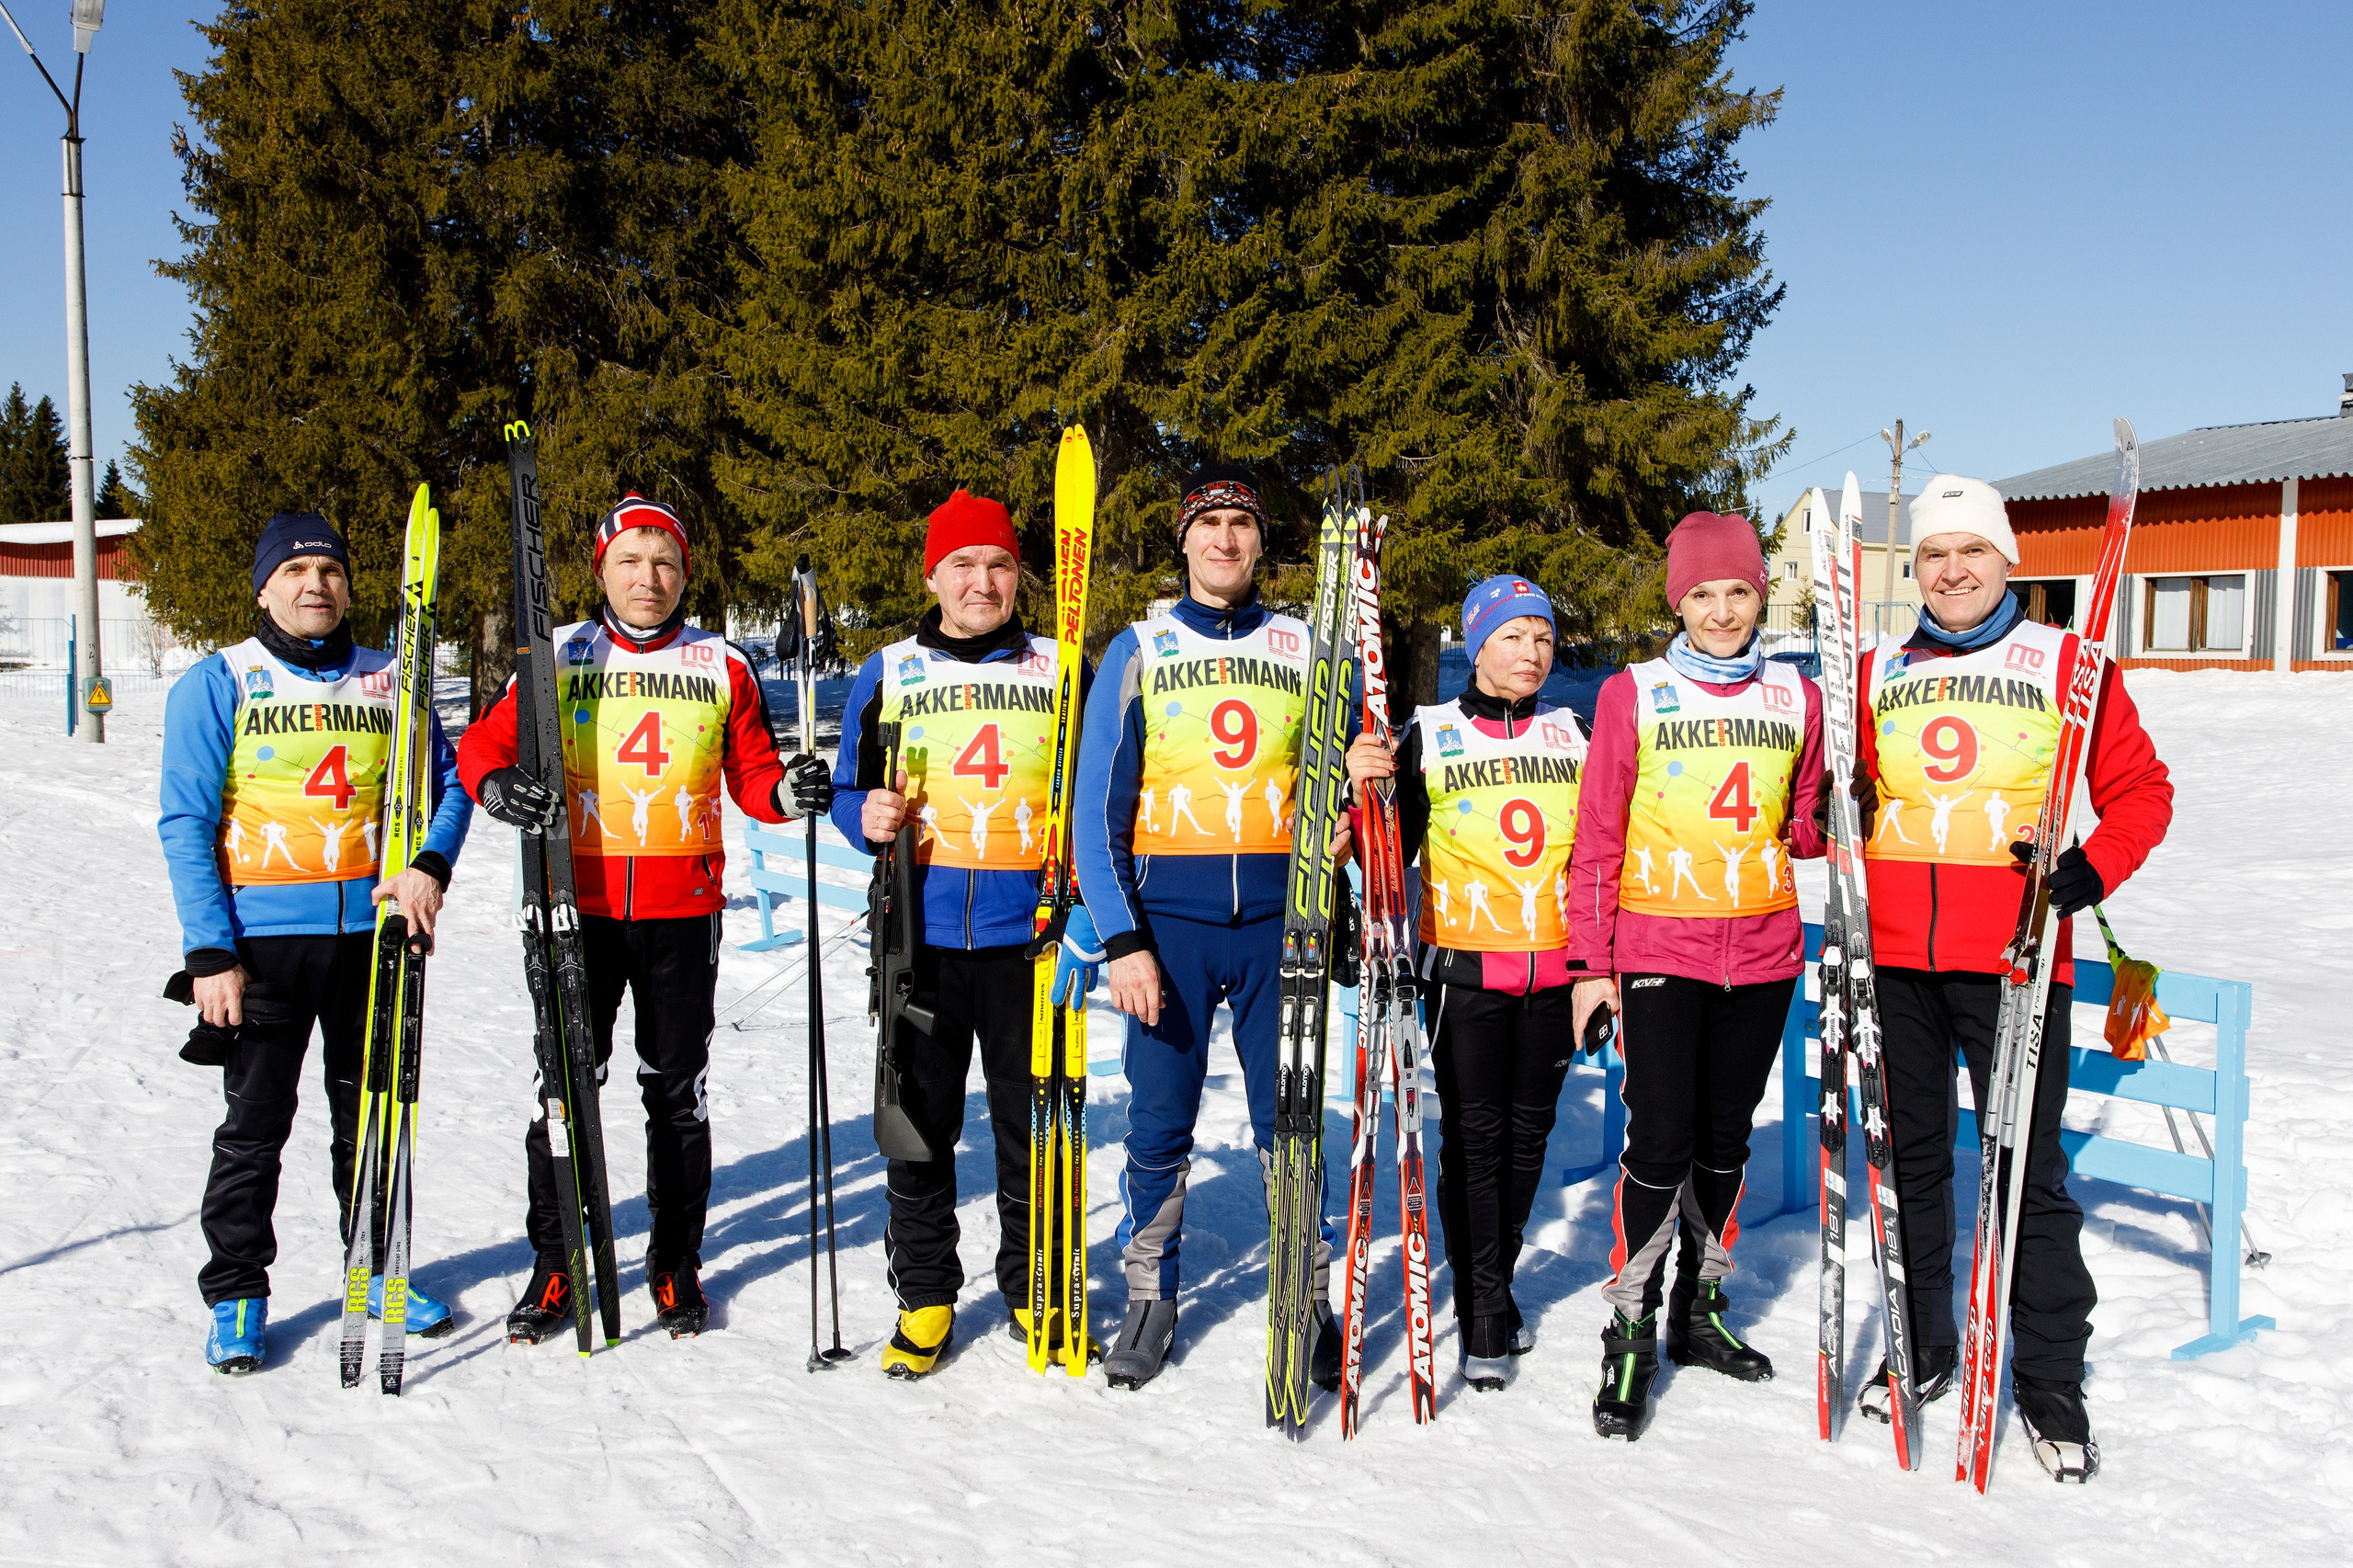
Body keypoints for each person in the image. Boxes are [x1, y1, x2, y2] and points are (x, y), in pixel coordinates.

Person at [1855, 475, 2172, 1483]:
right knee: (1909, 1168)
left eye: (1973, 551)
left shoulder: (2068, 664)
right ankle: (1922, 1344)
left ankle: (2048, 1377)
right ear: (1915, 569)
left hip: (2016, 959)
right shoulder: (1873, 671)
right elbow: (1836, 795)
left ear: (2007, 561)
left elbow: (2141, 789)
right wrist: (1824, 813)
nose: (1952, 570)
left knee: (2025, 1175)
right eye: (1933, 554)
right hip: (1894, 962)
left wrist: (2093, 865)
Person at [459, 493, 833, 1340]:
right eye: (629, 560)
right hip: (573, 910)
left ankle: (674, 1261)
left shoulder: (722, 663)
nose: (647, 577)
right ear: (602, 571)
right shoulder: (557, 656)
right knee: (563, 1092)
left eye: (664, 561)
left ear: (684, 574)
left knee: (677, 1095)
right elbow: (483, 744)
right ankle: (558, 1261)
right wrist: (496, 785)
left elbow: (753, 778)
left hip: (680, 914)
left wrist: (790, 793)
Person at [160, 513, 474, 1374]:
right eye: (295, 571)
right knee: (255, 1127)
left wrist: (429, 867)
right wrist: (209, 954)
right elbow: (185, 823)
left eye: (330, 570)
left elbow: (450, 786)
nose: (315, 585)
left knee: (370, 1123)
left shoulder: (390, 679)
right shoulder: (221, 681)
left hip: (371, 941)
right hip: (261, 946)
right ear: (264, 588)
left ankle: (373, 1270)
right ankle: (236, 1292)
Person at [1073, 464, 1347, 1391]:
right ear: (1184, 539)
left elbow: (1344, 776)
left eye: (1241, 523)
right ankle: (1149, 1297)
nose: (1225, 538)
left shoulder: (1309, 648)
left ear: (1261, 541)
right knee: (1158, 1125)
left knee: (1291, 1124)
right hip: (1170, 933)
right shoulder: (1139, 649)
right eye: (1209, 523)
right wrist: (1124, 940)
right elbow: (1096, 816)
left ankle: (1306, 1294)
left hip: (1283, 926)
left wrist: (1352, 809)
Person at [828, 491, 1098, 1379]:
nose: (982, 582)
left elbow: (1103, 792)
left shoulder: (1062, 669)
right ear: (932, 577)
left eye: (999, 565)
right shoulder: (889, 669)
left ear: (1019, 576)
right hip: (923, 940)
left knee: (1032, 1129)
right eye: (963, 565)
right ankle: (926, 1296)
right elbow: (847, 791)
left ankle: (1034, 1289)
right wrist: (860, 815)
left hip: (1034, 940)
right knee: (919, 1126)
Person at [1567, 510, 1824, 1439]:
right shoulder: (1633, 692)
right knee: (1661, 1139)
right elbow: (1598, 835)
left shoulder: (1800, 697)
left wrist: (1840, 808)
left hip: (1762, 950)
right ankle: (1630, 1326)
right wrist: (1589, 964)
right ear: (1678, 601)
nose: (1721, 611)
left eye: (1739, 592)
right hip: (1658, 950)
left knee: (1725, 1140)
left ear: (1760, 596)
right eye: (1703, 594)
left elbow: (1804, 826)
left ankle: (1698, 1305)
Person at [1342, 574, 1588, 1393]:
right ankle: (1484, 1308)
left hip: (1554, 971)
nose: (1531, 652)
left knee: (1529, 1140)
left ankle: (1495, 1281)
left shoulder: (1576, 733)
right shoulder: (1431, 733)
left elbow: (1602, 852)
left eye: (1543, 637)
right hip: (1463, 972)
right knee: (1476, 1140)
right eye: (1512, 636)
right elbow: (1386, 848)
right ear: (1476, 645)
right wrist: (1363, 789)